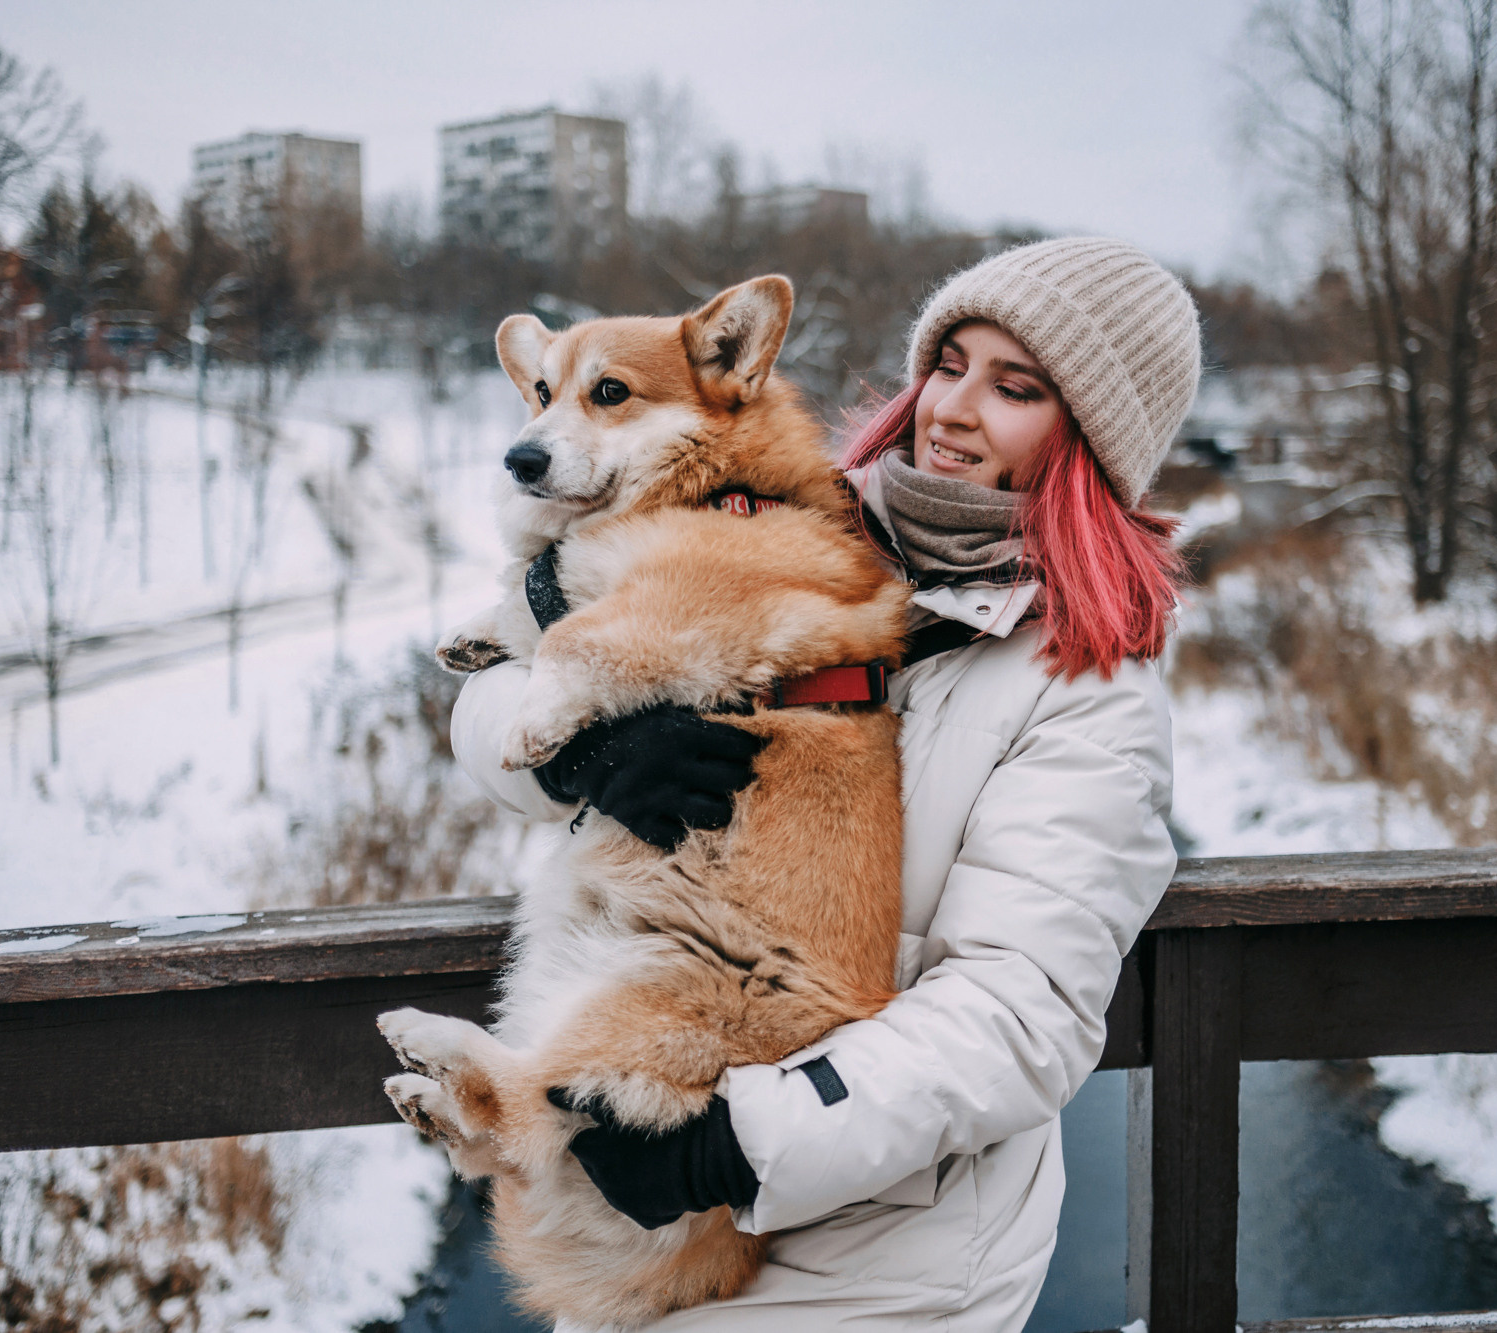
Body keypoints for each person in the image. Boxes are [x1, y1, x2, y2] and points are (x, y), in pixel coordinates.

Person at [450, 236, 1202, 1330]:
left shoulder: (1085, 688)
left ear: (1086, 436)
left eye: (1015, 388)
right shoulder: (773, 510)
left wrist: (734, 1143)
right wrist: (581, 758)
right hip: (644, 1115)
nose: (952, 408)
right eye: (947, 364)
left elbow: (1016, 1012)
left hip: (878, 1258)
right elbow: (495, 678)